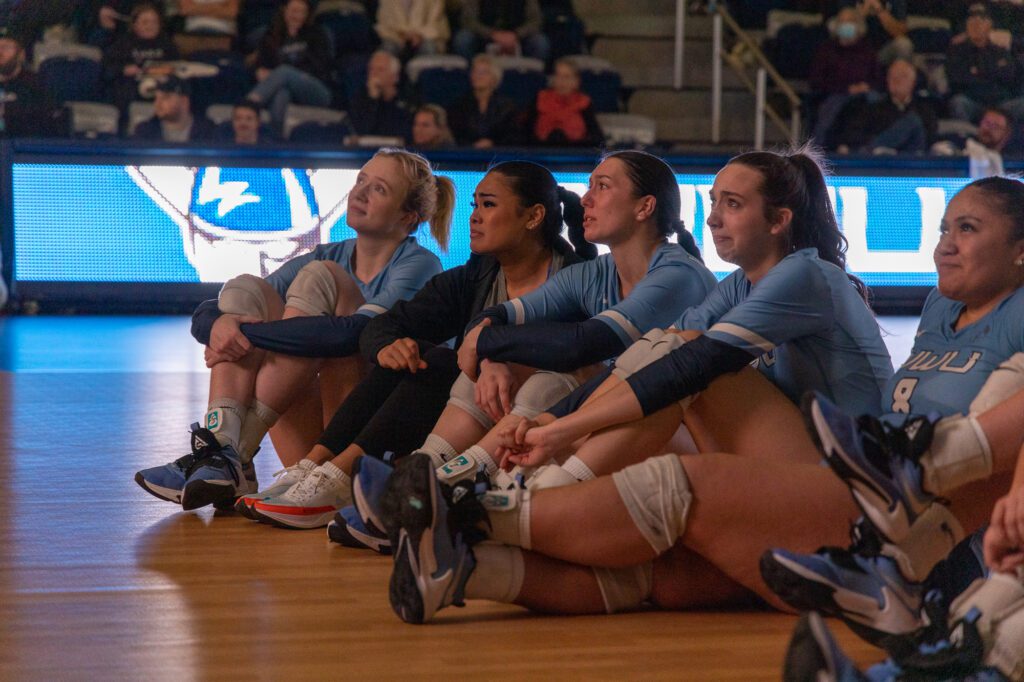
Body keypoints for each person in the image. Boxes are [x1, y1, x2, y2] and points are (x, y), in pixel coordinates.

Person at [378, 147, 900, 624]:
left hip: (845, 497)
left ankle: (498, 502)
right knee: (663, 578)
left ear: (781, 220)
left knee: (676, 362)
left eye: (733, 204)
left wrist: (561, 428)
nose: (714, 216)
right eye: (714, 201)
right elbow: (645, 361)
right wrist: (548, 422)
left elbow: (680, 365)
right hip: (788, 480)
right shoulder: (736, 283)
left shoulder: (800, 276)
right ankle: (462, 567)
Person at [251, 150, 717, 532]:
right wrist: (486, 341)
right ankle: (394, 480)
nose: (587, 198)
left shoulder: (670, 273)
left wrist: (488, 347)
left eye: (603, 186)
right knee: (451, 363)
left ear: (645, 207)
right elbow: (498, 318)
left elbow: (578, 346)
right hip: (586, 424)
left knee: (523, 374)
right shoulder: (594, 272)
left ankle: (440, 491)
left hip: (674, 435)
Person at [237, 160, 593, 528]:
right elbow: (384, 325)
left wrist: (489, 356)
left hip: (534, 421)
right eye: (474, 205)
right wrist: (386, 346)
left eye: (488, 205)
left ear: (533, 217)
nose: (474, 217)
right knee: (415, 354)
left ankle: (344, 477)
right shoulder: (476, 275)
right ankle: (317, 465)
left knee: (440, 362)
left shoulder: (576, 278)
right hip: (467, 418)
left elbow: (564, 351)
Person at [754, 177, 1024, 650]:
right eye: (943, 230)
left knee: (685, 487)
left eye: (966, 229)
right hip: (871, 484)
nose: (944, 247)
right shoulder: (942, 304)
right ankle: (890, 565)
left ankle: (909, 506)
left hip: (946, 522)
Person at [134, 148, 453, 512]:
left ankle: (229, 455)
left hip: (367, 449)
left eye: (379, 189)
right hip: (311, 451)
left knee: (319, 285)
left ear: (409, 217)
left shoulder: (419, 265)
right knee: (245, 289)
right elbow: (219, 307)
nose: (359, 193)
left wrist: (244, 336)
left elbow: (352, 334)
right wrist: (220, 324)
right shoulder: (328, 252)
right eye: (360, 180)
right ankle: (220, 448)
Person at [247, 0, 332, 132]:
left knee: (285, 72)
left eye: (301, 12)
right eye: (294, 11)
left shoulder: (317, 34)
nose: (297, 16)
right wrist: (259, 71)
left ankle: (250, 104)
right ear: (285, 11)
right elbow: (260, 64)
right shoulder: (271, 34)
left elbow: (321, 67)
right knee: (281, 94)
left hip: (316, 89)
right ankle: (277, 139)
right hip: (283, 86)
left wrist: (287, 74)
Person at [831, 58, 938, 154]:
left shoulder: (924, 110)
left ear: (913, 81)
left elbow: (929, 138)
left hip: (913, 163)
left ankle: (873, 148)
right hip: (881, 164)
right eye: (892, 76)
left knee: (913, 122)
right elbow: (856, 135)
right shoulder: (873, 109)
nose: (896, 80)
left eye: (902, 76)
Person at [809, 7, 883, 146]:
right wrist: (847, 89)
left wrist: (866, 86)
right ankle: (816, 150)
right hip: (837, 92)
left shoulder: (868, 49)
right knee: (830, 107)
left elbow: (878, 77)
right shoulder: (826, 50)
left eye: (850, 21)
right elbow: (817, 81)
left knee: (878, 101)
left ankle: (875, 146)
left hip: (865, 92)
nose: (846, 24)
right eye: (842, 21)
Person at [946, 3, 1024, 125]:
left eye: (982, 20)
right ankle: (967, 138)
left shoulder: (1000, 49)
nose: (976, 24)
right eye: (972, 20)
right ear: (966, 25)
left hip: (1001, 104)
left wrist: (978, 72)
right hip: (973, 102)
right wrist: (992, 72)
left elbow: (1010, 76)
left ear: (990, 25)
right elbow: (957, 79)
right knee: (958, 103)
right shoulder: (957, 50)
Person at [101, 3, 178, 116]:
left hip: (161, 87)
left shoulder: (167, 45)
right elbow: (106, 69)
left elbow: (177, 67)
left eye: (154, 22)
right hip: (131, 89)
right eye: (145, 22)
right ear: (135, 25)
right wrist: (123, 69)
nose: (150, 26)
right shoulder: (122, 45)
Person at [447, 54, 522, 149]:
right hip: (467, 153)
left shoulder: (507, 106)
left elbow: (512, 136)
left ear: (494, 77)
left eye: (484, 72)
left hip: (500, 154)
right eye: (475, 71)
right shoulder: (459, 105)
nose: (478, 76)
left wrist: (493, 143)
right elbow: (456, 134)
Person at [0, 26, 62, 137]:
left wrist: (9, 111)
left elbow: (46, 120)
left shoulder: (37, 84)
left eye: (6, 47)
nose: (0, 52)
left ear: (21, 54)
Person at [528, 58, 602, 148]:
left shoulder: (584, 102)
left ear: (576, 81)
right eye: (558, 76)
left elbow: (596, 137)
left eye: (566, 77)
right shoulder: (540, 98)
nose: (562, 81)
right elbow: (526, 133)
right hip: (541, 152)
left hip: (574, 153)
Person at [452, 0, 550, 63]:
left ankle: (532, 79)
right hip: (484, 35)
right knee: (463, 39)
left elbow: (536, 20)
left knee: (540, 42)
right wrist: (492, 34)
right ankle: (472, 76)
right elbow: (468, 20)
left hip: (517, 36)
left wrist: (516, 34)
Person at [347, 50, 413, 141]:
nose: (374, 74)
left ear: (395, 76)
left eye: (380, 70)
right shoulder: (360, 98)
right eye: (371, 69)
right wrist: (372, 99)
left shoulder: (407, 98)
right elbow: (360, 131)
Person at [132, 75, 218, 142]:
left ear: (184, 101)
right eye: (156, 98)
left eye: (165, 98)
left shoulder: (208, 132)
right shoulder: (145, 132)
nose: (157, 103)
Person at [375, 0, 449, 59]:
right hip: (397, 37)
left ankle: (427, 77)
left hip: (425, 36)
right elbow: (383, 24)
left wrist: (419, 34)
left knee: (429, 47)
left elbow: (436, 23)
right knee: (388, 48)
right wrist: (402, 35)